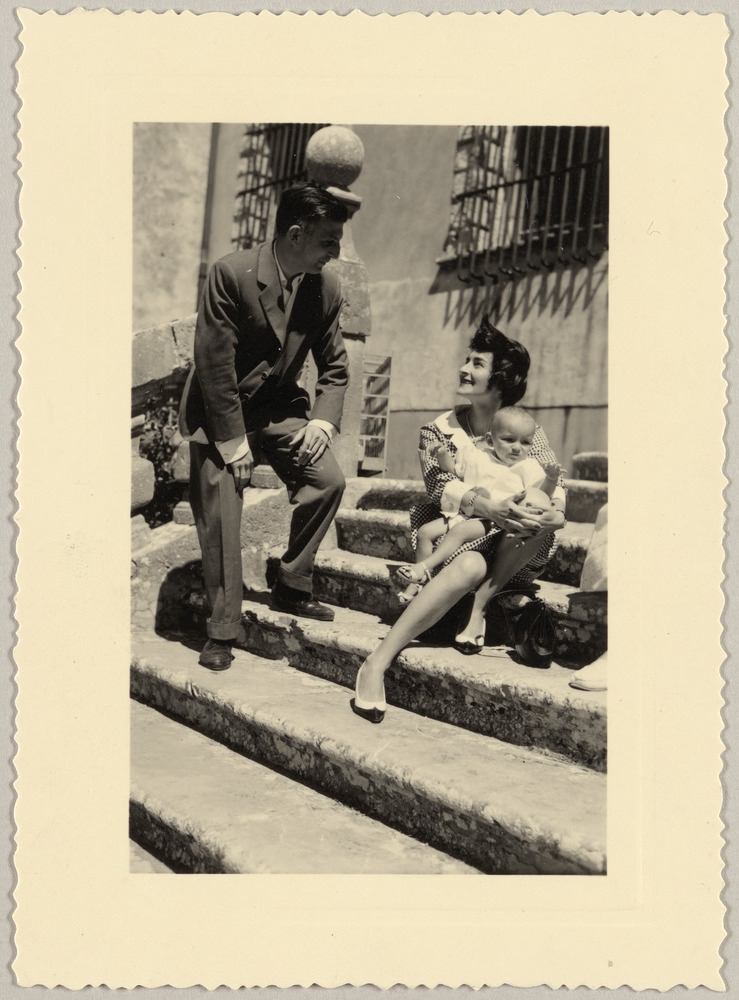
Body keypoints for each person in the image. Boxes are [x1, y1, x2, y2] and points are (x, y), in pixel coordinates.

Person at [351, 317, 567, 724]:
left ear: (500, 379)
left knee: (539, 508)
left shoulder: (526, 431)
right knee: (469, 563)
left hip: (517, 547)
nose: (464, 369)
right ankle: (376, 663)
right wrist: (490, 508)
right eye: (467, 360)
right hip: (463, 535)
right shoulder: (438, 430)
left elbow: (553, 485)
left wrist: (552, 513)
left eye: (477, 364)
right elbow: (438, 485)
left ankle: (478, 605)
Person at [179, 183, 350, 670]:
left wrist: (323, 420)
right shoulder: (231, 274)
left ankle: (292, 584)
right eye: (329, 241)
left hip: (278, 410)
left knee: (328, 481)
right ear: (296, 235)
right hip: (220, 413)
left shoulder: (327, 288)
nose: (335, 252)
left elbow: (336, 367)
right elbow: (214, 366)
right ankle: (221, 630)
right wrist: (233, 443)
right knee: (223, 511)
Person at [395, 405, 563, 604]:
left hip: (496, 524)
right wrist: (441, 453)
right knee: (425, 532)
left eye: (525, 442)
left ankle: (425, 567)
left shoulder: (528, 467)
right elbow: (453, 469)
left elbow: (542, 495)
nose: (517, 447)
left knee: (460, 531)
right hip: (468, 513)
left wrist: (551, 478)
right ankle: (417, 581)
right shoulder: (476, 456)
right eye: (509, 440)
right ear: (491, 440)